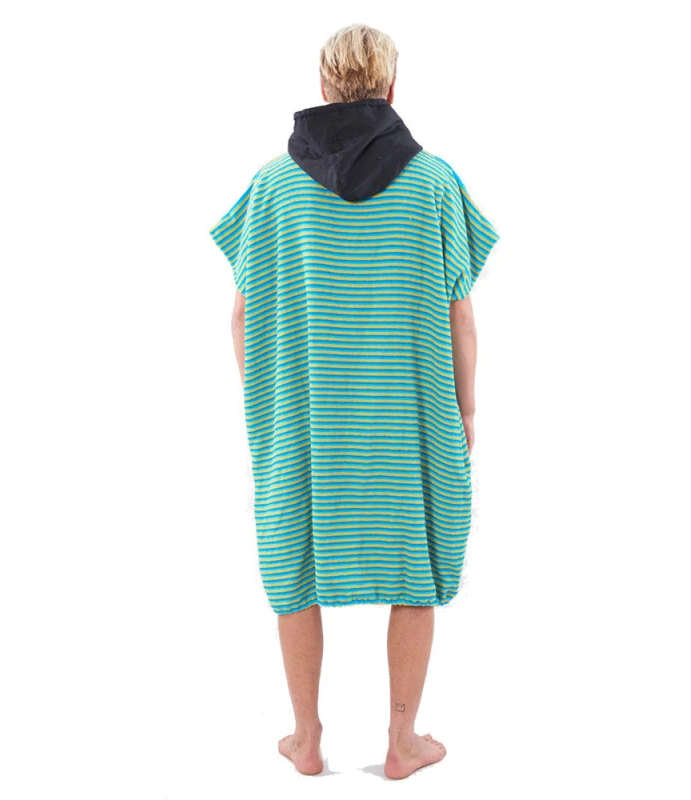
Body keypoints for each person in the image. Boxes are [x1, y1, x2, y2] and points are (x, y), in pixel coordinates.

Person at [209, 23, 499, 780]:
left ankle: (305, 740)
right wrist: (467, 409)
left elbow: (240, 316)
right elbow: (461, 315)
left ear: (323, 86)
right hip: (408, 418)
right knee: (416, 565)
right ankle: (402, 743)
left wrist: (267, 400)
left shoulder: (273, 186)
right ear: (392, 87)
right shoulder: (433, 182)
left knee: (293, 563)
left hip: (305, 420)